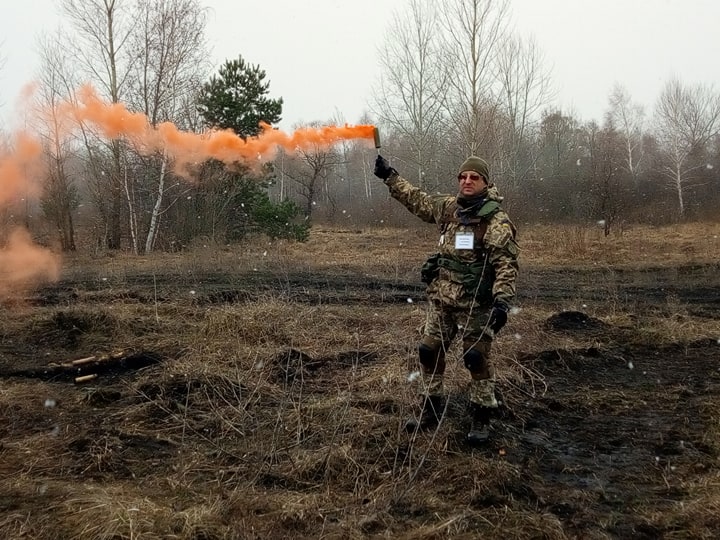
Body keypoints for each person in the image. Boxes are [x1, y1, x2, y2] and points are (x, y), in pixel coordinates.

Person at [374, 154, 519, 444]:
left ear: (485, 183)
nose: (467, 181)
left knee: (476, 358)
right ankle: (430, 410)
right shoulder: (448, 208)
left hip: (476, 304)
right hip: (442, 300)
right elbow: (417, 199)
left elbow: (506, 264)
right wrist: (389, 176)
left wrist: (502, 301)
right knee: (428, 352)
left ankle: (481, 417)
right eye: (463, 177)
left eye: (474, 177)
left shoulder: (495, 220)